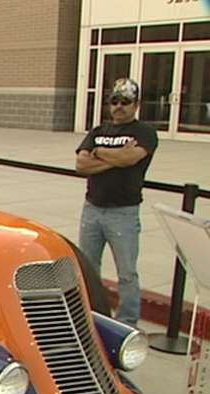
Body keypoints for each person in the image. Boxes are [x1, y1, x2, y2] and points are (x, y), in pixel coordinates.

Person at [75, 78, 158, 326]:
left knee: (127, 273)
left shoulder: (144, 132)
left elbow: (131, 158)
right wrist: (115, 157)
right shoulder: (98, 131)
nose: (119, 106)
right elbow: (81, 165)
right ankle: (92, 315)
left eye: (125, 102)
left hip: (123, 212)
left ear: (136, 105)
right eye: (115, 101)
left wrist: (98, 153)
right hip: (92, 209)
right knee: (88, 269)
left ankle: (127, 322)